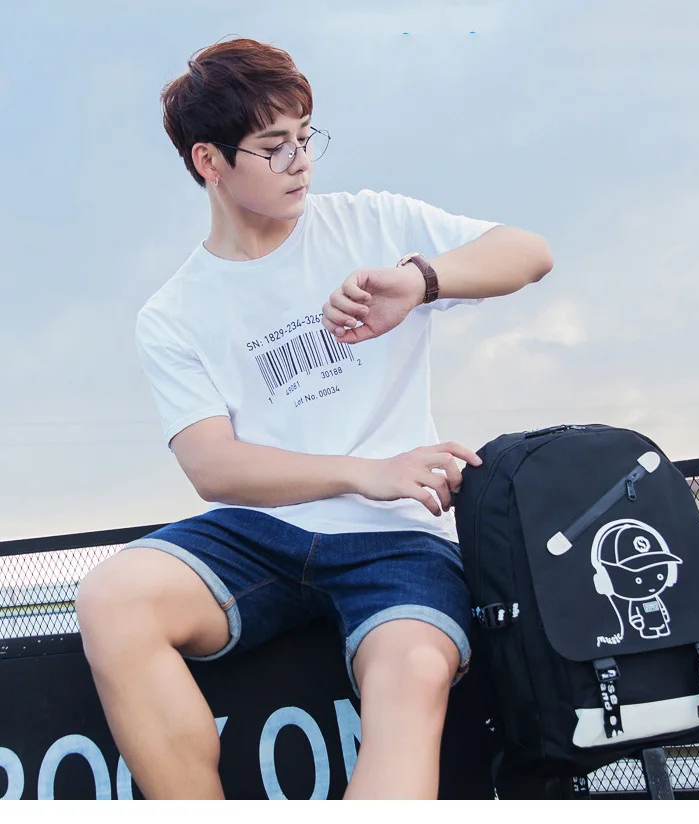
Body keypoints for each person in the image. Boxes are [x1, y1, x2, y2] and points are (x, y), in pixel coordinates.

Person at [75, 36, 553, 800]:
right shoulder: (173, 312)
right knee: (111, 598)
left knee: (413, 671)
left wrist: (421, 281)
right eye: (274, 147)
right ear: (209, 161)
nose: (301, 161)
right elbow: (212, 466)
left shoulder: (371, 224)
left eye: (306, 137)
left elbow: (529, 252)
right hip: (259, 537)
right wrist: (366, 472)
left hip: (399, 537)